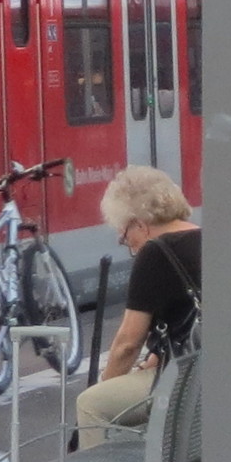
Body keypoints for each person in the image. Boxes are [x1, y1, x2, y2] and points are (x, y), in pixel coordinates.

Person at [75, 167, 201, 436]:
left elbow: (127, 344)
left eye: (124, 235)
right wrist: (155, 357)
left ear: (139, 224)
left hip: (187, 382)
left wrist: (105, 386)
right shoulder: (204, 236)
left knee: (91, 404)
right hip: (213, 369)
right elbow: (186, 316)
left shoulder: (155, 252)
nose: (129, 245)